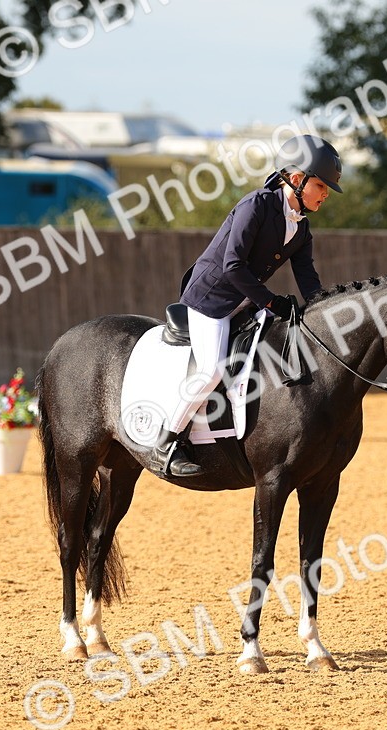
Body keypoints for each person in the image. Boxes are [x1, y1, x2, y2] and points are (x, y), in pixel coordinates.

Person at [152, 134, 343, 477]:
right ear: (296, 179)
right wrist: (270, 301)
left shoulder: (301, 228)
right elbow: (232, 266)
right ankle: (169, 440)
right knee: (211, 368)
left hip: (246, 301)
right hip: (210, 300)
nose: (326, 194)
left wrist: (324, 311)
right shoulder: (256, 205)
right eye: (321, 185)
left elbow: (308, 279)